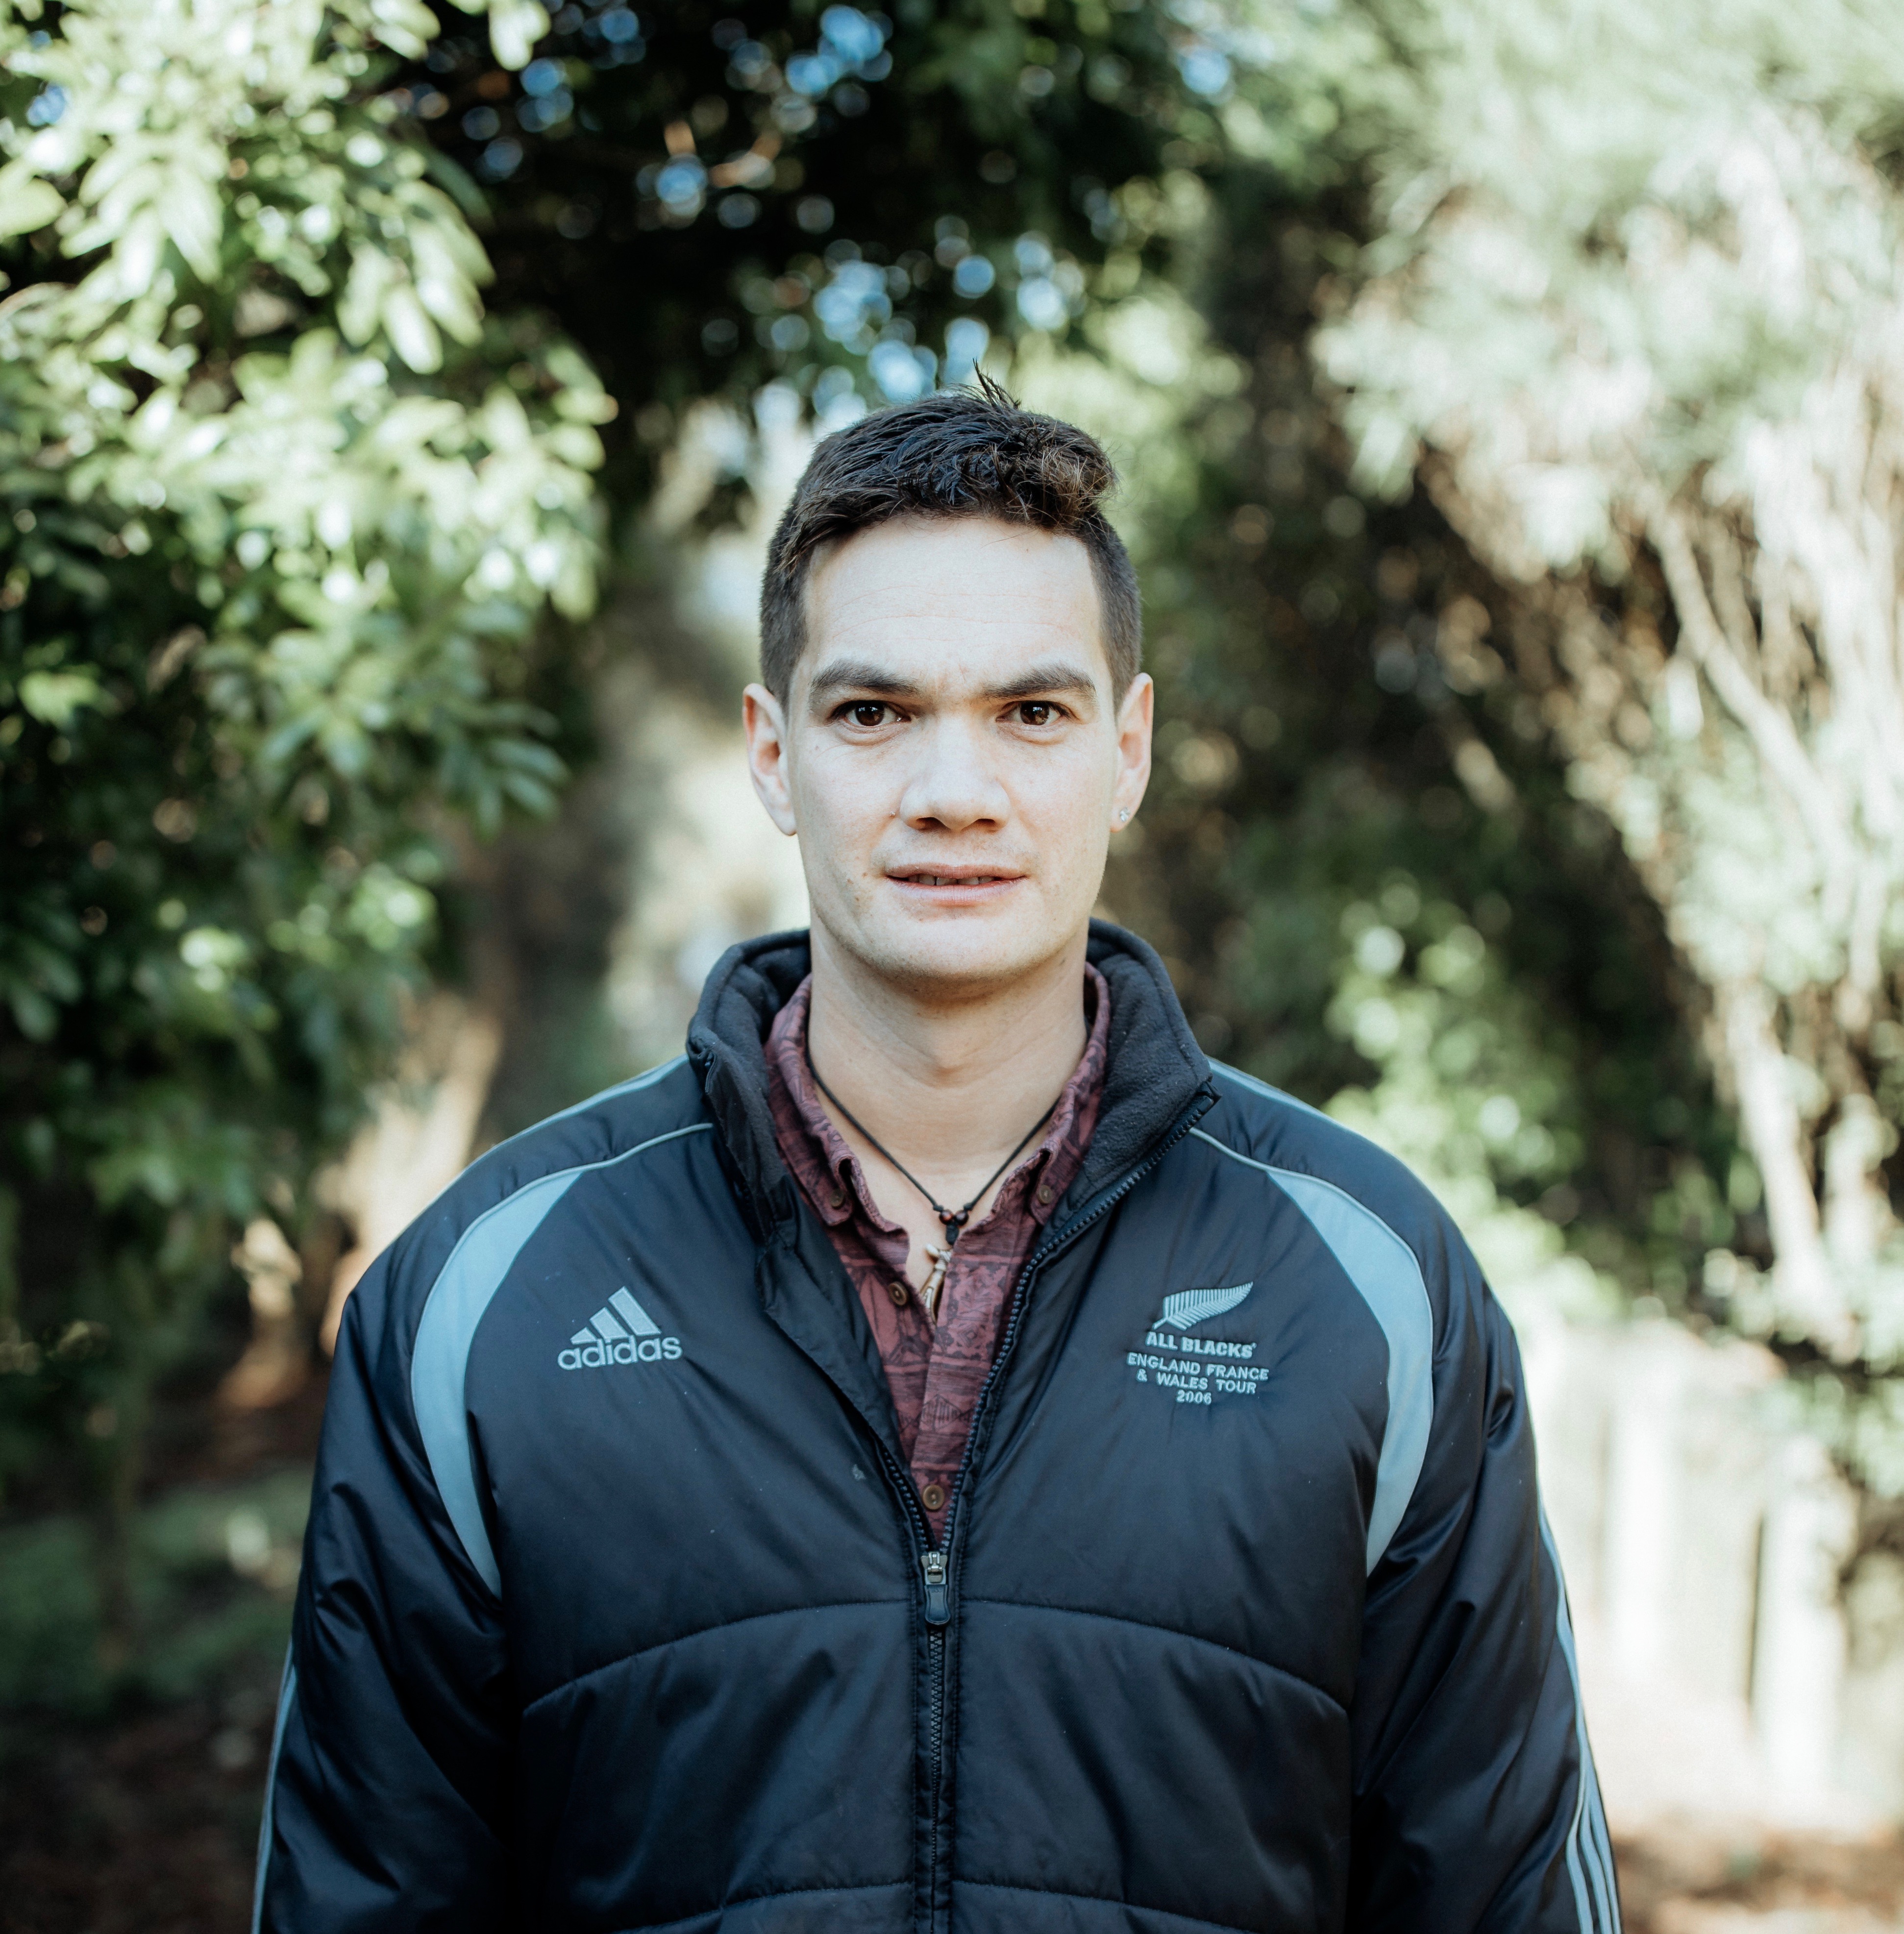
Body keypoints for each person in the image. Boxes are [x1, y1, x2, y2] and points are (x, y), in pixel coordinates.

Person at [253, 383, 1619, 1934]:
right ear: (774, 754)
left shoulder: (1369, 1284)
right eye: (874, 712)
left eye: (1030, 713)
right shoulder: (478, 1296)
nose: (953, 792)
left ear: (1128, 747)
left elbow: (1505, 1893)